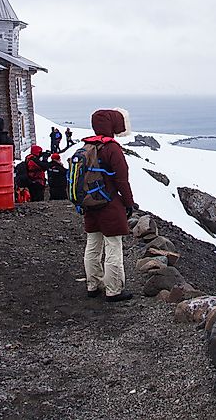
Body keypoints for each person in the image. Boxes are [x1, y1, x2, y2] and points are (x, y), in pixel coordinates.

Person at [82, 108, 137, 302]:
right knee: (113, 246)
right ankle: (113, 290)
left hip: (90, 204)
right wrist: (129, 203)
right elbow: (122, 179)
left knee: (93, 245)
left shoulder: (87, 146)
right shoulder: (112, 148)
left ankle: (93, 285)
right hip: (109, 204)